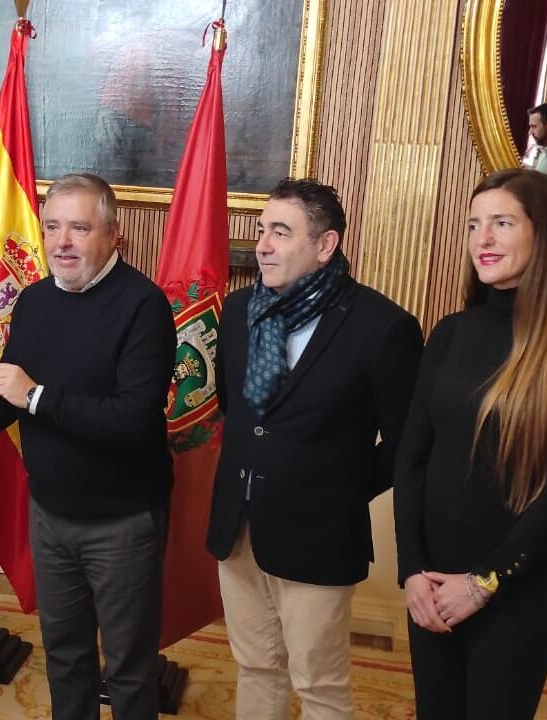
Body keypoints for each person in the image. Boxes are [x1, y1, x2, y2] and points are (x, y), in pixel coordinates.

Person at [0, 173, 176, 720]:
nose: (62, 242)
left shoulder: (144, 305)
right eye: (52, 227)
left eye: (79, 228)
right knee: (65, 658)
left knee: (128, 669)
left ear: (113, 235)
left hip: (123, 521)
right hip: (50, 514)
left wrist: (37, 396)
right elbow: (5, 398)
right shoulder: (37, 301)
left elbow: (132, 419)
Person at [394, 168, 547, 719]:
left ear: (541, 235)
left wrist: (485, 582)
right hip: (434, 587)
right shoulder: (449, 333)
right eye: (473, 224)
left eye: (501, 223)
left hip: (516, 594)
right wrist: (412, 570)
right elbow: (411, 457)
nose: (482, 239)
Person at [205, 178, 424, 719]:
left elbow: (405, 445)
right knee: (256, 666)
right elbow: (237, 412)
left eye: (281, 232)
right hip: (238, 528)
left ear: (325, 246)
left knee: (319, 684)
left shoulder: (384, 328)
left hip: (318, 536)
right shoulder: (238, 311)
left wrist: (337, 490)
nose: (263, 246)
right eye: (261, 231)